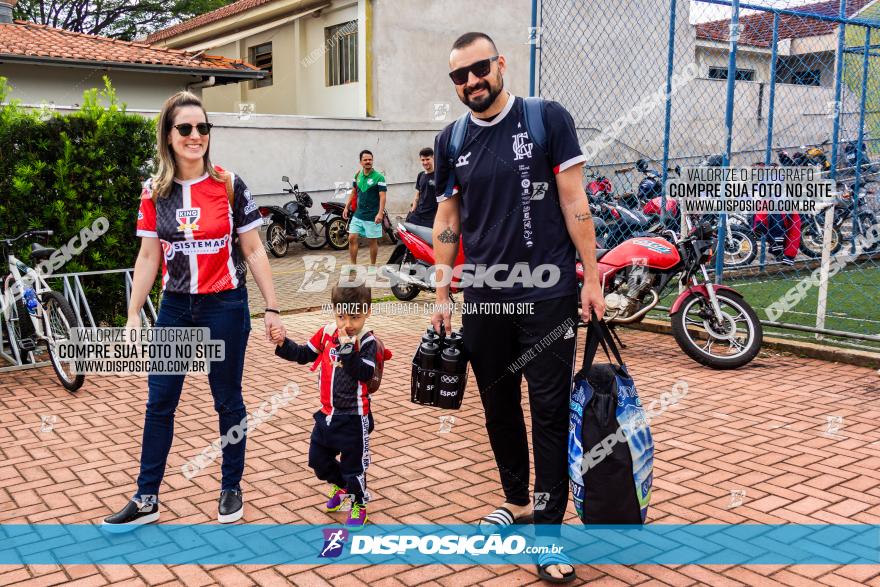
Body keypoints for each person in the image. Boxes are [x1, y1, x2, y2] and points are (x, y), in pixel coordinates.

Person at [429, 32, 605, 583]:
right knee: (498, 405)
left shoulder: (546, 118)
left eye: (478, 69)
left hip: (548, 295)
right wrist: (440, 292)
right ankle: (517, 500)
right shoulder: (450, 139)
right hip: (484, 297)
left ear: (500, 64)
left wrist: (592, 277)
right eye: (459, 76)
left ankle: (549, 535)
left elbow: (575, 201)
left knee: (549, 410)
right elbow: (448, 221)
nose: (470, 82)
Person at [103, 91, 285, 528]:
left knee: (227, 400)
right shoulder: (155, 191)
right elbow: (148, 257)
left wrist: (273, 308)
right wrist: (132, 315)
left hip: (224, 304)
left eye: (203, 128)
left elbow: (254, 250)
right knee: (160, 401)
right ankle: (146, 498)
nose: (196, 136)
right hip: (175, 309)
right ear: (168, 135)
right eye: (185, 128)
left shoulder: (228, 184)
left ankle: (230, 487)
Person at [270, 282, 377, 529]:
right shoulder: (327, 332)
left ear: (367, 312)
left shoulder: (367, 341)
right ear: (334, 312)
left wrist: (348, 348)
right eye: (341, 316)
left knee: (354, 468)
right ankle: (342, 488)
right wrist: (283, 343)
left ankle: (358, 502)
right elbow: (303, 354)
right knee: (318, 461)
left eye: (355, 317)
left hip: (353, 417)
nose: (347, 324)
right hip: (327, 415)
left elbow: (364, 373)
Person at [343, 150, 387, 267]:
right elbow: (353, 192)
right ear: (360, 162)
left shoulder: (379, 177)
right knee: (352, 238)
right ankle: (353, 266)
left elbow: (383, 197)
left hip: (372, 215)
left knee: (372, 241)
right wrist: (346, 207)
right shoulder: (357, 175)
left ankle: (372, 266)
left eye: (370, 159)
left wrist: (380, 213)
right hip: (358, 214)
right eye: (365, 160)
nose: (368, 162)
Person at [407, 147, 438, 228]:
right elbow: (417, 195)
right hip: (418, 214)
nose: (425, 162)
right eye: (423, 160)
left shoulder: (439, 176)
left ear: (433, 158)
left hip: (432, 217)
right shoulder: (421, 175)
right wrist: (412, 210)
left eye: (427, 159)